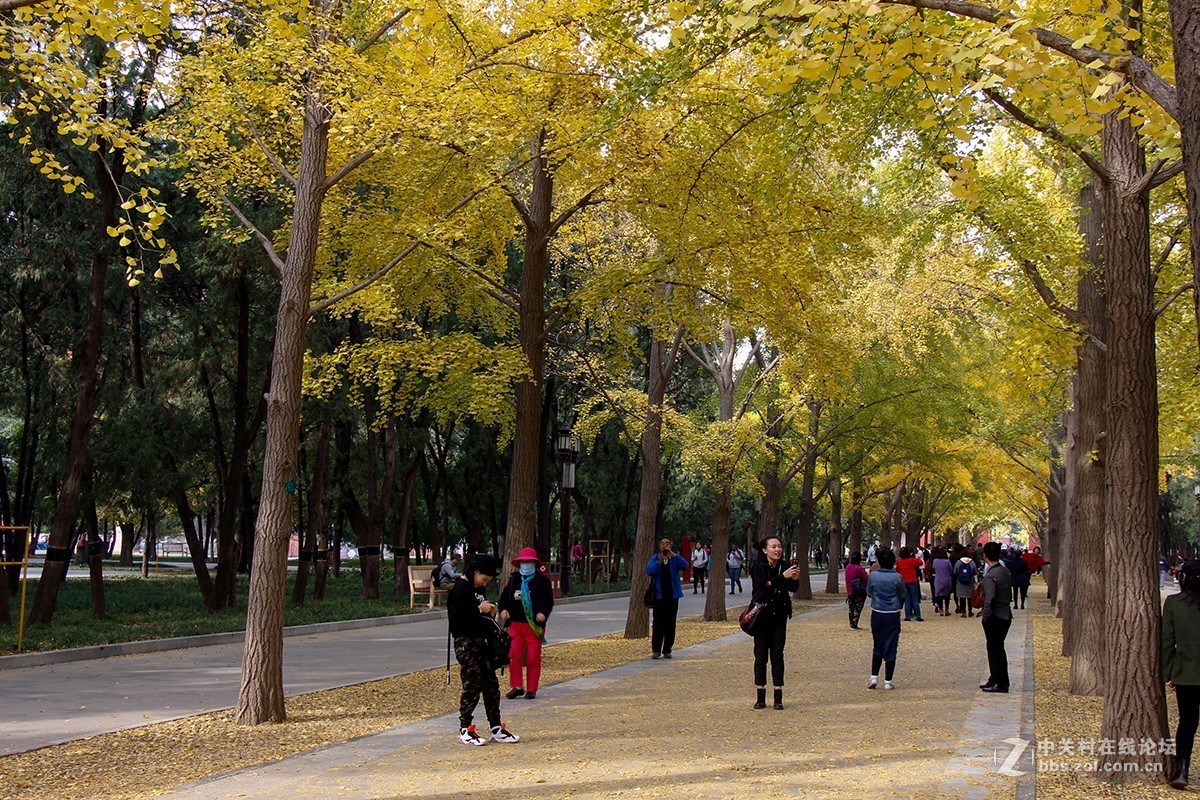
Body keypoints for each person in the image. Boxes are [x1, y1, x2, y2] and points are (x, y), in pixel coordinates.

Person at [447, 553, 520, 745]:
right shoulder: (460, 588)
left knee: (490, 684)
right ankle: (465, 728)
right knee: (472, 683)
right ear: (475, 572)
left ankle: (496, 727)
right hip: (465, 643)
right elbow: (456, 619)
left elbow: (481, 613)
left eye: (487, 581)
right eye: (484, 579)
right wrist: (479, 609)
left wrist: (489, 613)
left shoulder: (477, 588)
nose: (484, 583)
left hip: (482, 642)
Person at [750, 535, 801, 709]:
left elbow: (792, 589)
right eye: (773, 547)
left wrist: (794, 579)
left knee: (777, 655)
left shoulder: (785, 566)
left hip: (779, 615)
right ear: (765, 550)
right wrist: (782, 577)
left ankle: (778, 695)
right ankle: (760, 694)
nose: (777, 550)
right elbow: (763, 588)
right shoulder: (758, 567)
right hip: (762, 616)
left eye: (779, 546)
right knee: (761, 655)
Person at [1163, 559, 1200, 789]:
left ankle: (1182, 770)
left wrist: (1169, 673)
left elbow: (1168, 641)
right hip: (1186, 672)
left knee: (1187, 722)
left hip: (1186, 673)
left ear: (1182, 578)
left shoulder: (1175, 603)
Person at [499, 547, 554, 701]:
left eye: (528, 562)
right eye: (523, 562)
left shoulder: (542, 581)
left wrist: (543, 613)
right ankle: (517, 686)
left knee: (532, 658)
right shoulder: (514, 579)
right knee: (514, 655)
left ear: (534, 564)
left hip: (533, 626)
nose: (525, 565)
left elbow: (548, 601)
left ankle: (531, 688)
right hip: (516, 625)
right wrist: (503, 610)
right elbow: (504, 599)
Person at [866, 548, 905, 689]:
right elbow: (902, 594)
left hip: (877, 612)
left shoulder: (873, 576)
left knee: (877, 644)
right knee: (891, 644)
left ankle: (874, 677)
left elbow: (869, 593)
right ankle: (888, 681)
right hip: (892, 613)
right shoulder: (897, 577)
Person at [646, 536, 688, 659]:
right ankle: (656, 650)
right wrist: (659, 561)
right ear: (659, 546)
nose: (665, 546)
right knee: (658, 623)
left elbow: (685, 566)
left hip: (672, 596)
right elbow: (649, 571)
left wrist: (673, 555)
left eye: (667, 543)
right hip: (659, 596)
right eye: (662, 543)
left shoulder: (675, 558)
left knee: (670, 623)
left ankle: (667, 649)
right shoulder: (655, 557)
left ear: (671, 545)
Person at [979, 541, 1013, 693]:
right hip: (1005, 614)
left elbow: (990, 598)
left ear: (984, 556)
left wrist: (986, 616)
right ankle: (995, 678)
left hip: (995, 616)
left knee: (995, 649)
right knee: (997, 648)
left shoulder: (990, 576)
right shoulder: (1005, 571)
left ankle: (1001, 682)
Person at [896, 547, 925, 622]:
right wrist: (916, 557)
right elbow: (920, 562)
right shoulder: (911, 560)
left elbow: (897, 570)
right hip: (913, 580)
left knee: (907, 599)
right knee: (915, 599)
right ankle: (918, 615)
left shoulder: (899, 561)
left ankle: (908, 616)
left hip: (904, 581)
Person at [845, 551, 869, 629]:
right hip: (858, 590)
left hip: (849, 590)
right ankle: (854, 623)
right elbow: (865, 579)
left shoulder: (848, 567)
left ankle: (851, 623)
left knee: (851, 607)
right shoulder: (859, 569)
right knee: (858, 607)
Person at [954, 550, 977, 617]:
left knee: (962, 597)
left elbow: (955, 571)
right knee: (970, 597)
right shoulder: (972, 562)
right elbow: (975, 572)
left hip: (960, 582)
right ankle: (970, 611)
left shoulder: (958, 562)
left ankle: (963, 612)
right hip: (970, 582)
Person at [931, 547, 953, 616]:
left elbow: (933, 569)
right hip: (947, 579)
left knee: (938, 595)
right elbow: (951, 570)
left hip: (938, 580)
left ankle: (941, 610)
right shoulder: (947, 561)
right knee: (947, 596)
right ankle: (947, 609)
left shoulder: (935, 561)